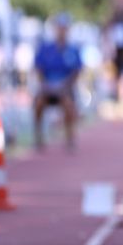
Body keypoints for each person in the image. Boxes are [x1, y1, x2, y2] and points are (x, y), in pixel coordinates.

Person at [33, 12, 83, 151]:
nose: (61, 30)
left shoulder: (73, 49)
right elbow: (38, 68)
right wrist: (44, 84)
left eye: (64, 27)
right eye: (59, 27)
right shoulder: (45, 48)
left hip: (65, 88)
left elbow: (77, 70)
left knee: (68, 104)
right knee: (38, 103)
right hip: (48, 88)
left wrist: (66, 85)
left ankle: (69, 137)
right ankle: (38, 136)